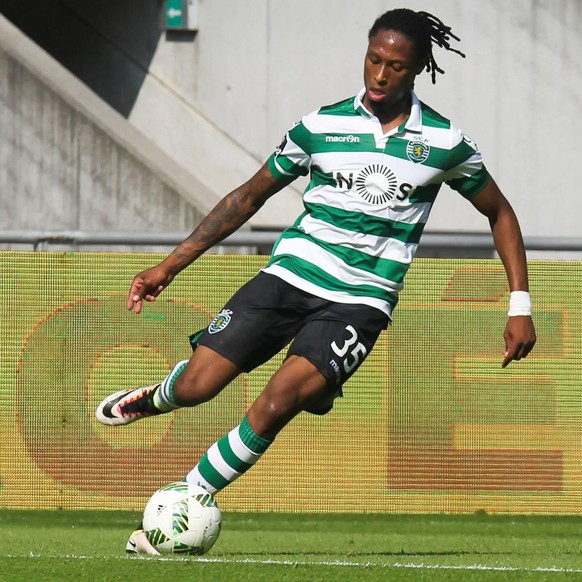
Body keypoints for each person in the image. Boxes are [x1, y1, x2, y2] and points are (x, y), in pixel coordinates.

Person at [97, 8, 536, 554]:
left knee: (277, 401)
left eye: (395, 66)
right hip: (289, 277)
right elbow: (248, 196)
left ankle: (187, 502)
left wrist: (519, 303)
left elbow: (501, 213)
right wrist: (169, 265)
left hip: (360, 303)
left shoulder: (445, 143)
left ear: (418, 67)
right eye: (374, 59)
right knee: (197, 387)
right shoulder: (321, 125)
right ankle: (162, 395)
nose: (379, 75)